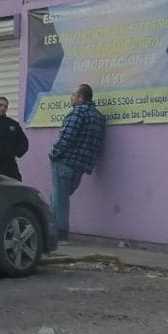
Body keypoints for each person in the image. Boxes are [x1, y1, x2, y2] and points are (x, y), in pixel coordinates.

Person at [49, 84, 106, 242]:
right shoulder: (98, 117)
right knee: (59, 197)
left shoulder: (78, 113)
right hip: (81, 165)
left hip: (65, 162)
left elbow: (67, 137)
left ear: (81, 97)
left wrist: (53, 153)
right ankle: (50, 230)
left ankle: (59, 235)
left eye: (74, 94)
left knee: (59, 199)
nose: (72, 97)